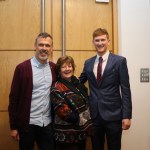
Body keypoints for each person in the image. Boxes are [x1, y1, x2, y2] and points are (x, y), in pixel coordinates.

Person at [79, 28, 132, 150]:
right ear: (93, 42)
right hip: (94, 115)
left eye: (103, 40)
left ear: (108, 41)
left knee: (114, 147)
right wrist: (63, 80)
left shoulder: (119, 61)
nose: (100, 43)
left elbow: (126, 90)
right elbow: (79, 82)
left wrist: (127, 116)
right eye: (97, 40)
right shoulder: (88, 63)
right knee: (96, 147)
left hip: (114, 115)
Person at [8, 32, 56, 150]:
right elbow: (14, 98)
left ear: (51, 48)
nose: (44, 48)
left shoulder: (54, 68)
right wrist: (13, 127)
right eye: (41, 45)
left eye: (47, 45)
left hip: (47, 124)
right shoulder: (22, 68)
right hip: (27, 125)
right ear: (35, 46)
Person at [50, 55, 93, 150]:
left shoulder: (78, 84)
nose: (67, 69)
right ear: (59, 70)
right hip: (66, 134)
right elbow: (61, 109)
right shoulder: (56, 87)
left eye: (69, 66)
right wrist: (80, 119)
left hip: (81, 132)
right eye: (63, 67)